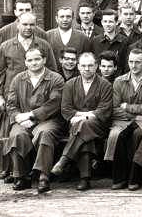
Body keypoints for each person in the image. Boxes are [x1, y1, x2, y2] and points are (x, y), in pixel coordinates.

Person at [3, 48, 65, 193]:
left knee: (44, 133)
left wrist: (32, 116)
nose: (34, 63)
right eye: (30, 60)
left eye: (37, 59)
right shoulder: (18, 79)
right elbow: (11, 104)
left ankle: (43, 176)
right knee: (17, 135)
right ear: (25, 62)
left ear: (44, 60)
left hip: (48, 120)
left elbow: (55, 104)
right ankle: (21, 176)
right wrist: (19, 117)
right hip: (23, 121)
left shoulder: (56, 78)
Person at [50, 52, 113, 191]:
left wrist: (80, 117)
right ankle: (85, 179)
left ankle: (64, 159)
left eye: (90, 65)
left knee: (83, 125)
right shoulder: (70, 84)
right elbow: (66, 109)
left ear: (96, 66)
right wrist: (84, 117)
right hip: (75, 125)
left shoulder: (105, 85)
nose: (87, 69)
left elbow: (103, 110)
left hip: (99, 126)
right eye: (83, 65)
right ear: (78, 67)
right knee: (85, 136)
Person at [104, 48, 142, 191]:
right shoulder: (119, 81)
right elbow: (115, 108)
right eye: (131, 62)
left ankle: (136, 175)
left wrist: (128, 106)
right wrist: (135, 115)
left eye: (138, 62)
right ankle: (119, 178)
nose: (133, 66)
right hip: (122, 120)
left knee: (141, 134)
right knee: (116, 134)